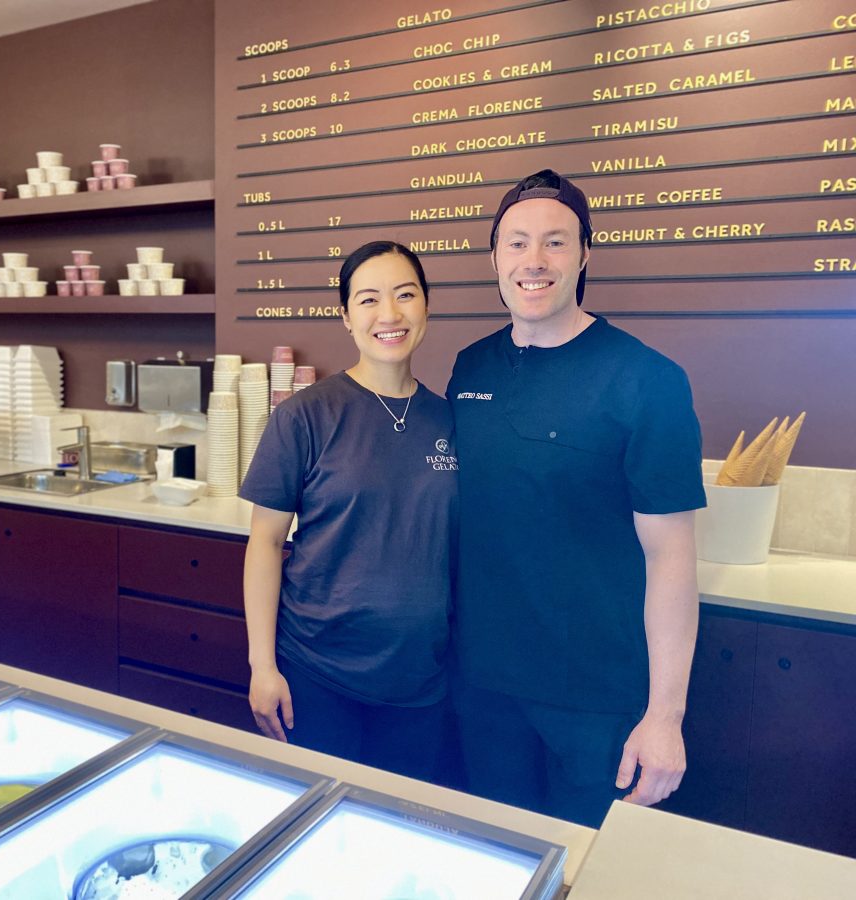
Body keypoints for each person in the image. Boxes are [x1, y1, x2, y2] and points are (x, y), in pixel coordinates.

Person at [446, 169, 705, 827]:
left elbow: (672, 558)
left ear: (586, 253)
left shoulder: (647, 381)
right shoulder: (470, 368)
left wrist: (665, 717)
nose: (534, 261)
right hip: (483, 690)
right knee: (497, 866)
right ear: (495, 259)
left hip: (598, 706)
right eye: (517, 243)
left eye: (555, 243)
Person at [240, 241, 458, 782]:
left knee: (402, 834)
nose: (389, 314)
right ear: (345, 316)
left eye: (405, 295)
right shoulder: (304, 416)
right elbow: (265, 543)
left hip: (420, 683)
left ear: (426, 306)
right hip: (318, 675)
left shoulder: (450, 420)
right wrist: (262, 666)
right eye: (368, 299)